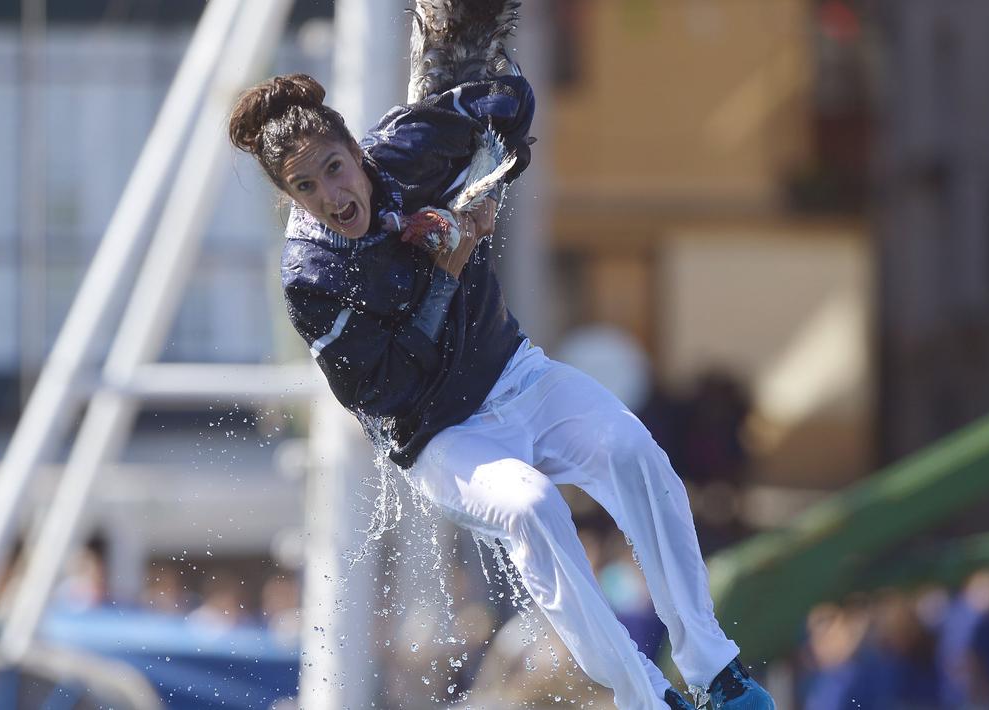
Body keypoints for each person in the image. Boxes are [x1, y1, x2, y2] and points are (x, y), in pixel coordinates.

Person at [227, 64, 774, 709]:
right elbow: (387, 388)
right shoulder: (311, 278)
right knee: (532, 507)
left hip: (517, 373)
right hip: (440, 438)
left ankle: (713, 668)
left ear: (355, 148)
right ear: (290, 197)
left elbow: (509, 100)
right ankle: (646, 697)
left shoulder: (404, 149)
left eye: (334, 168)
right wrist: (442, 274)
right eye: (306, 187)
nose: (331, 195)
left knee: (635, 453)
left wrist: (487, 185)